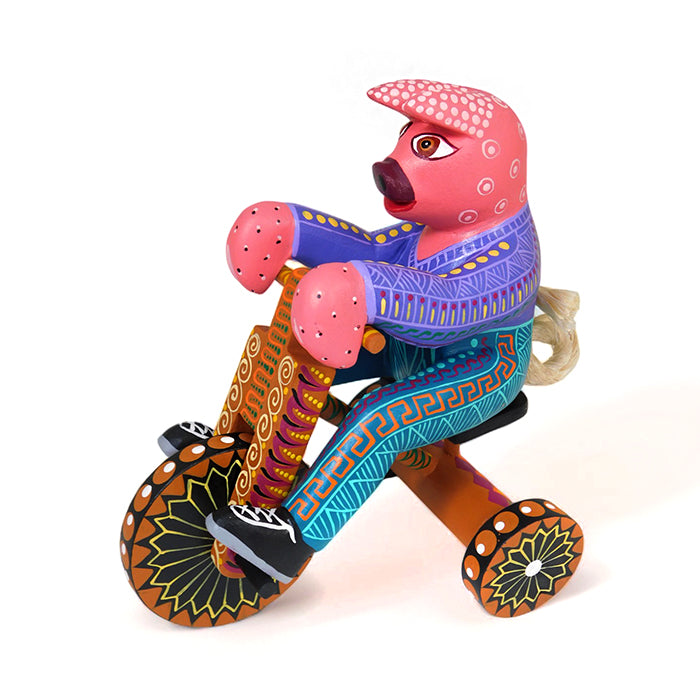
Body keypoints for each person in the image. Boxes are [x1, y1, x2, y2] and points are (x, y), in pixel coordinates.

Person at [206, 80, 539, 583]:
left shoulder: (510, 255)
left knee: (379, 414)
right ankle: (229, 442)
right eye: (409, 140)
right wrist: (290, 227)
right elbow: (371, 249)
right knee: (284, 347)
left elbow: (451, 306)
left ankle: (296, 538)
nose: (393, 166)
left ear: (490, 169)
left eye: (430, 148)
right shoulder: (429, 230)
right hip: (407, 347)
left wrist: (362, 289)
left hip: (484, 369)